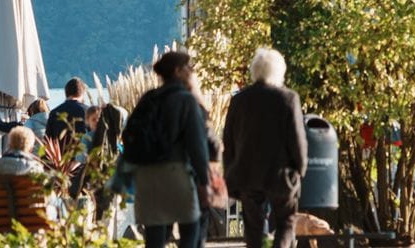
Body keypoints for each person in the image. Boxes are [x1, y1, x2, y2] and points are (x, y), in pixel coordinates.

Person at [223, 48, 308, 248]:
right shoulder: (288, 99)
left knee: (252, 227)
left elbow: (229, 140)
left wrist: (231, 172)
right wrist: (300, 168)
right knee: (286, 222)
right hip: (280, 174)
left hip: (247, 174)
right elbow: (297, 138)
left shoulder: (239, 101)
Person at [131, 51, 211, 248]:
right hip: (175, 174)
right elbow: (197, 145)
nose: (192, 71)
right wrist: (204, 181)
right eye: (189, 67)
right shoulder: (186, 100)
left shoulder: (148, 98)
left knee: (155, 235)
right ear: (178, 71)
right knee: (191, 228)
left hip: (146, 175)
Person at [48, 77, 91, 143]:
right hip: (83, 152)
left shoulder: (54, 113)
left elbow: (48, 140)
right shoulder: (88, 112)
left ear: (66, 93)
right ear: (82, 93)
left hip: (59, 152)